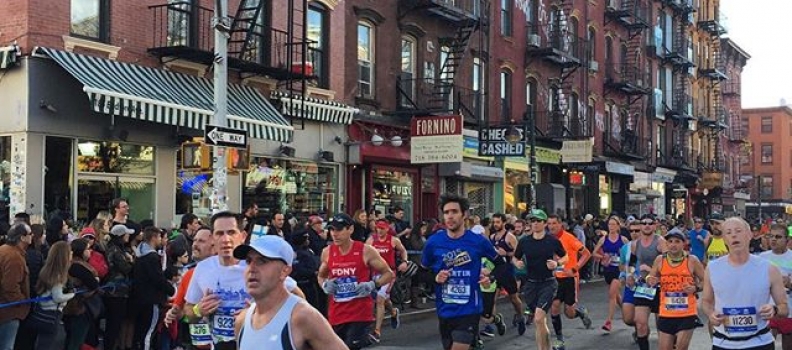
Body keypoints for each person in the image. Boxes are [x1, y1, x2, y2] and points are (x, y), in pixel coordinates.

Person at [233, 236, 348, 350]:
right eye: (248, 261)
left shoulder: (302, 316)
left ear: (284, 271)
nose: (251, 268)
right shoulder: (242, 320)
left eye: (262, 261)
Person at [421, 194, 499, 350]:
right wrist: (435, 277)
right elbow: (422, 273)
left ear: (464, 214)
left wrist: (490, 276)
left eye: (454, 212)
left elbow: (501, 265)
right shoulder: (433, 242)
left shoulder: (478, 241)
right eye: (446, 212)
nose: (450, 216)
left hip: (470, 308)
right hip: (445, 309)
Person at [702, 217, 789, 350]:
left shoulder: (769, 268)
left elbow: (784, 308)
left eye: (738, 231)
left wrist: (774, 309)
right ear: (724, 239)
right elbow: (706, 302)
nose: (734, 235)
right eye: (729, 233)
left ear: (749, 235)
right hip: (723, 343)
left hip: (759, 342)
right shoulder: (712, 268)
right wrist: (710, 314)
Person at [318, 213, 393, 350]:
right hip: (336, 315)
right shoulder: (327, 252)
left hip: (360, 314)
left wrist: (372, 284)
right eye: (332, 229)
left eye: (339, 230)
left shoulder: (366, 250)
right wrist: (325, 285)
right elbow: (321, 275)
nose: (334, 234)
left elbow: (388, 274)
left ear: (350, 229)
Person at [513, 209, 567, 350]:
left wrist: (557, 264)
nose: (535, 223)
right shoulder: (524, 241)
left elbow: (565, 257)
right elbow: (515, 257)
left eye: (538, 221)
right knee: (540, 322)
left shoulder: (552, 241)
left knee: (538, 317)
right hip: (530, 284)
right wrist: (517, 263)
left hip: (548, 283)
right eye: (532, 221)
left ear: (544, 224)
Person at [646, 231, 706, 350]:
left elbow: (705, 281)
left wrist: (696, 288)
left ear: (684, 243)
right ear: (667, 244)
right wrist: (650, 280)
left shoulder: (691, 260)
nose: (673, 245)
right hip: (666, 312)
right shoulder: (660, 260)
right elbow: (650, 277)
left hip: (687, 312)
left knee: (681, 348)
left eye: (677, 241)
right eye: (670, 241)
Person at [546, 214, 592, 349]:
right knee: (554, 307)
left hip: (570, 278)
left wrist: (575, 268)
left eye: (554, 223)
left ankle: (580, 313)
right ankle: (560, 340)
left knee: (569, 313)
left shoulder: (569, 238)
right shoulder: (547, 239)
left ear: (561, 224)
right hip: (555, 279)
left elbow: (586, 253)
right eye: (549, 223)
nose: (552, 226)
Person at [626, 214, 668, 350]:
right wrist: (631, 275)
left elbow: (668, 264)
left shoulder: (660, 241)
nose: (647, 225)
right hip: (643, 286)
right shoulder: (635, 244)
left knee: (662, 327)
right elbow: (632, 263)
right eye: (644, 223)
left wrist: (651, 270)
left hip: (660, 286)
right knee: (640, 323)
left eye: (650, 223)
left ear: (655, 225)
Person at [132, 227, 176, 350]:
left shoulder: (139, 255)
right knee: (148, 331)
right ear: (154, 238)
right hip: (151, 299)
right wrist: (171, 289)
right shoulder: (152, 257)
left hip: (139, 298)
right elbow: (157, 278)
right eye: (159, 237)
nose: (161, 240)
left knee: (140, 330)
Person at [366, 219, 408, 343]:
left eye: (382, 228)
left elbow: (403, 250)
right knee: (384, 299)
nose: (379, 230)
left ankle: (377, 331)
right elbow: (364, 253)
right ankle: (393, 311)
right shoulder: (371, 240)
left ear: (387, 229)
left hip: (388, 273)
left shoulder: (393, 240)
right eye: (378, 228)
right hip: (373, 273)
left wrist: (405, 262)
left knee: (379, 299)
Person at [31, 241, 75, 350]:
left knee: (39, 343)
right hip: (52, 315)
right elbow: (58, 297)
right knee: (45, 345)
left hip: (40, 312)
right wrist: (72, 295)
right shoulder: (59, 275)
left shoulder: (46, 270)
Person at [487, 213, 527, 335]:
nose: (496, 224)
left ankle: (520, 317)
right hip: (495, 271)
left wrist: (506, 254)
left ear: (504, 223)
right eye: (494, 222)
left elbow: (518, 254)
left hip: (507, 271)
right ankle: (493, 322)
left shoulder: (510, 237)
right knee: (491, 300)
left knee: (513, 298)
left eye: (498, 222)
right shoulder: (492, 237)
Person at [592, 216, 629, 332]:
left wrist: (623, 261)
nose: (611, 227)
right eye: (609, 225)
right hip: (608, 269)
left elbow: (631, 254)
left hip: (619, 270)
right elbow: (593, 253)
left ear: (618, 226)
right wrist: (603, 256)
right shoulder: (604, 239)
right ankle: (627, 312)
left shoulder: (623, 240)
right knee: (616, 294)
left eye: (614, 225)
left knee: (612, 293)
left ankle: (609, 322)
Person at [103, 224, 135, 350]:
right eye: (126, 233)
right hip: (115, 293)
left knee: (115, 324)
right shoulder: (115, 250)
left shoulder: (116, 248)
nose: (128, 235)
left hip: (119, 292)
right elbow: (126, 269)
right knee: (113, 325)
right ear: (120, 236)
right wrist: (132, 260)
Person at [759, 224, 792, 348]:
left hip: (789, 309)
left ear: (787, 240)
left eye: (778, 237)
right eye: (771, 236)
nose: (773, 239)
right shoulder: (761, 258)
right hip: (767, 308)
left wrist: (789, 283)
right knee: (766, 344)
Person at [0, 223, 32, 350]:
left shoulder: (4, 250)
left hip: (6, 309)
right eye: (29, 234)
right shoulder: (14, 257)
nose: (32, 236)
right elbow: (10, 287)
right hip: (9, 312)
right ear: (22, 238)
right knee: (7, 346)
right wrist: (22, 302)